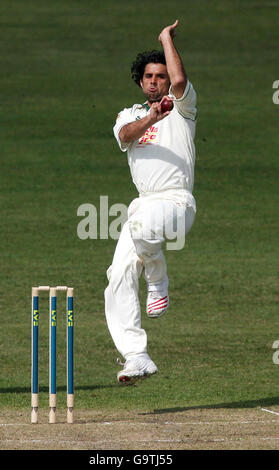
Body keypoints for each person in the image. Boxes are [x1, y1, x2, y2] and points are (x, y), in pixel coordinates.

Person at [104, 20, 197, 385]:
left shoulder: (184, 108)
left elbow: (178, 84)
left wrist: (165, 39)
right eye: (150, 76)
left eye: (160, 74)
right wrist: (150, 117)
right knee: (118, 275)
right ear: (141, 82)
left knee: (141, 227)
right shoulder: (129, 115)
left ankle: (158, 279)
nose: (157, 81)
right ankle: (136, 355)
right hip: (144, 204)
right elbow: (125, 136)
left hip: (177, 204)